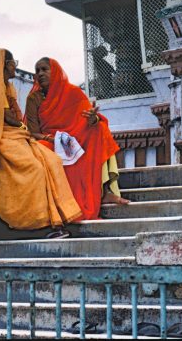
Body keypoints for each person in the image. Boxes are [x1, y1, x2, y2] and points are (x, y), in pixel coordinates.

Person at [0, 49, 83, 238]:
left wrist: (20, 126)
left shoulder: (9, 87)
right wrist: (21, 125)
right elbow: (6, 117)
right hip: (0, 136)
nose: (16, 65)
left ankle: (58, 217)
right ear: (5, 64)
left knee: (53, 161)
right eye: (13, 62)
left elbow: (14, 114)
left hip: (17, 135)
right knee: (34, 169)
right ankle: (38, 225)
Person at [25, 57, 129, 221]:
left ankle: (106, 191)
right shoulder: (33, 98)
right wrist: (54, 139)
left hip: (73, 137)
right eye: (37, 71)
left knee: (100, 129)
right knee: (43, 148)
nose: (40, 74)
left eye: (45, 69)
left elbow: (89, 119)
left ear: (56, 71)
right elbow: (33, 132)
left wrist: (92, 120)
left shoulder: (73, 93)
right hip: (48, 140)